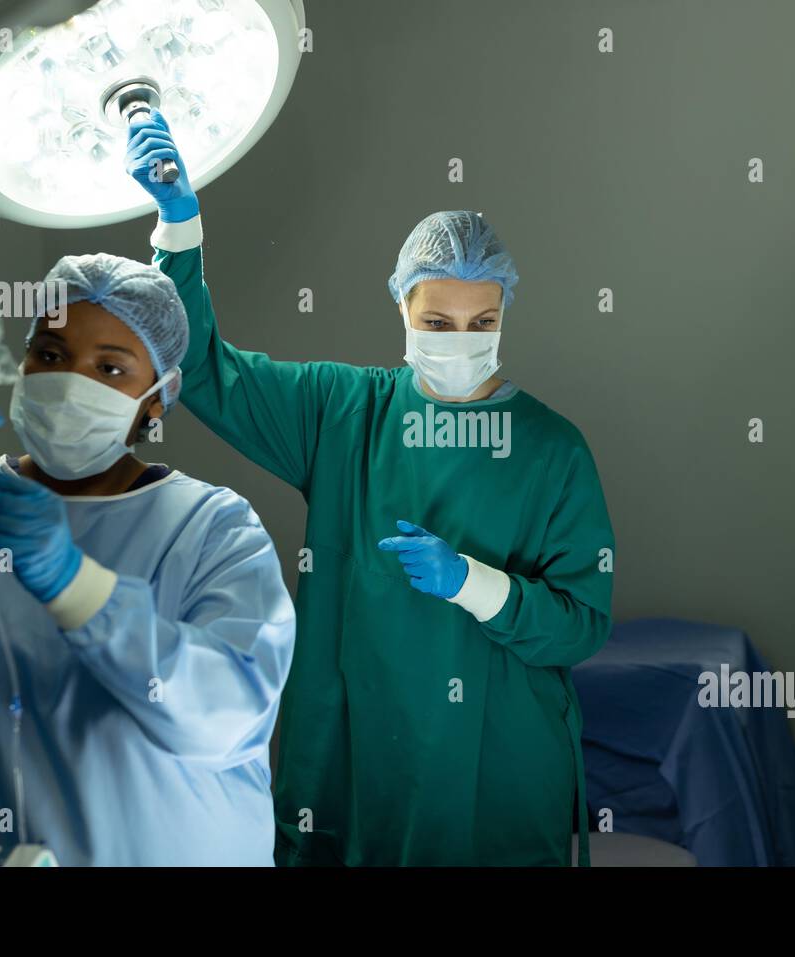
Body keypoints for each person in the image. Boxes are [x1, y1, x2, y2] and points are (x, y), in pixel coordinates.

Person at [126, 111, 615, 866]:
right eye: (437, 320)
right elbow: (208, 369)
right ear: (401, 305)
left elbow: (582, 622)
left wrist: (474, 583)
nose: (459, 340)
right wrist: (180, 226)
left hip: (496, 771)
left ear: (505, 311)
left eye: (481, 321)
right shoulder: (340, 411)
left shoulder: (554, 450)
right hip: (358, 757)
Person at [0, 253, 295, 865]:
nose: (71, 382)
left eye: (111, 368)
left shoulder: (212, 530)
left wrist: (80, 589)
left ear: (158, 397)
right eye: (52, 354)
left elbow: (226, 717)